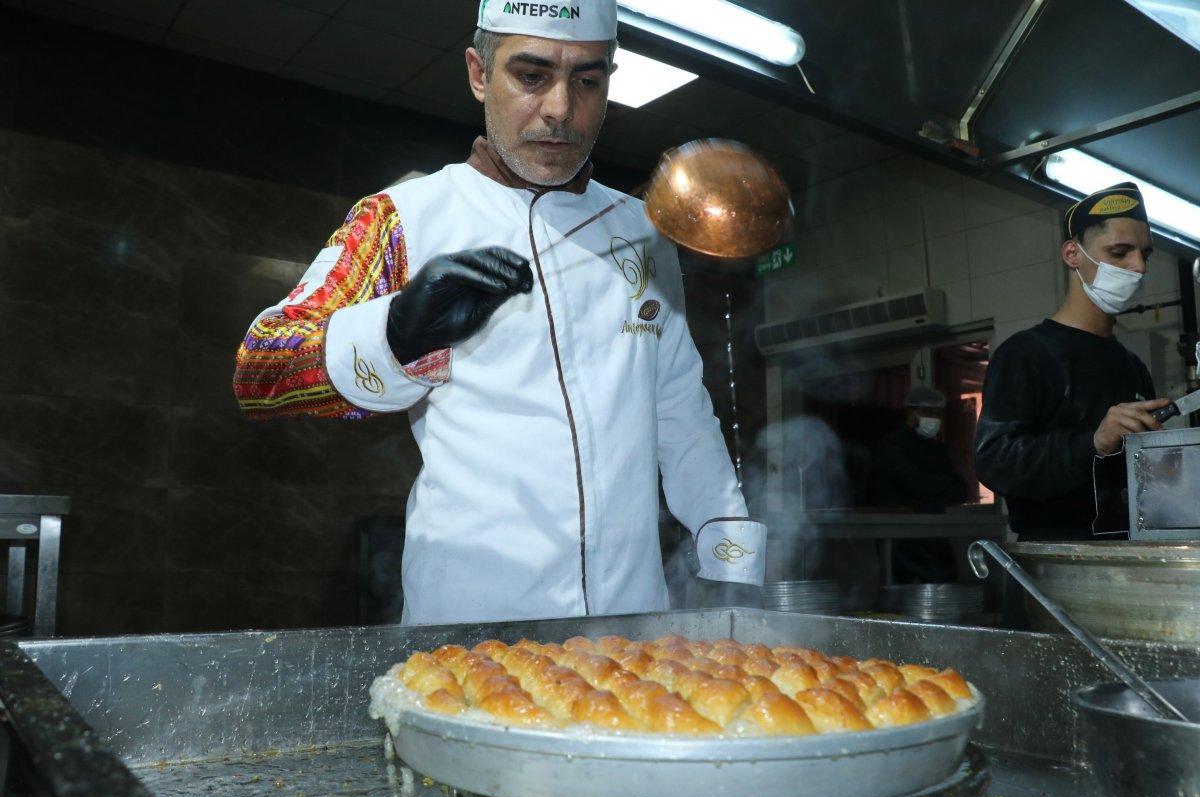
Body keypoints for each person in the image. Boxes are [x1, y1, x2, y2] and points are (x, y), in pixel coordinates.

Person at [231, 0, 764, 625]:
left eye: (587, 81)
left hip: (627, 631)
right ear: (479, 74)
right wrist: (394, 333)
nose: (561, 108)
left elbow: (679, 410)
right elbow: (260, 369)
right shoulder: (405, 217)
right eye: (531, 75)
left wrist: (732, 564)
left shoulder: (642, 230)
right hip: (469, 629)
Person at [974, 182, 1171, 541]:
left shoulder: (1131, 366)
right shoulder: (1027, 354)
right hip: (1055, 555)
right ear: (1072, 255)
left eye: (1145, 254)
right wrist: (1092, 443)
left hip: (1129, 551)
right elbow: (995, 461)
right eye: (1120, 252)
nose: (1139, 267)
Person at [870, 386, 968, 583]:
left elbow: (961, 490)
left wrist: (931, 488)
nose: (934, 418)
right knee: (900, 593)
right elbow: (918, 484)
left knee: (943, 587)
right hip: (899, 537)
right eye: (928, 412)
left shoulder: (937, 449)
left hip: (934, 534)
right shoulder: (892, 446)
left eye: (938, 413)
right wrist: (939, 486)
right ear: (911, 413)